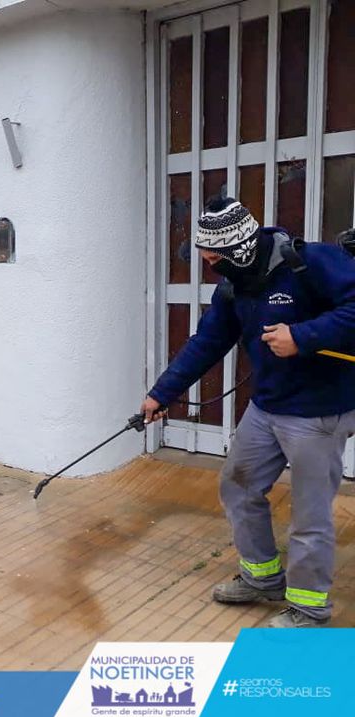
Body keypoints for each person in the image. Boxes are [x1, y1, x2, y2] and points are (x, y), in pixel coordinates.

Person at [142, 196, 355, 628]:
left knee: (309, 514)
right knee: (238, 488)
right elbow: (207, 342)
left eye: (212, 256)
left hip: (317, 411)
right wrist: (161, 394)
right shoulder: (233, 285)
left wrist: (303, 336)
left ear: (237, 248)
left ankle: (309, 607)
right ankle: (263, 578)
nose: (208, 265)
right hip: (266, 407)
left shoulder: (309, 263)